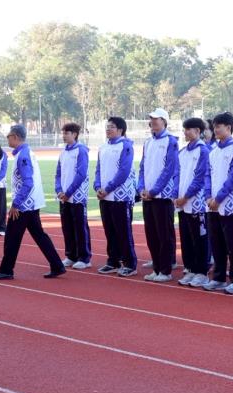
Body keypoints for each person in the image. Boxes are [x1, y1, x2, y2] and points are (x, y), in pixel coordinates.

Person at [0, 124, 65, 281]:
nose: (7, 139)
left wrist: (16, 203)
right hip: (30, 203)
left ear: (16, 137)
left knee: (12, 238)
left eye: (9, 136)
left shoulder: (23, 155)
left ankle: (6, 270)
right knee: (39, 235)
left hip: (24, 206)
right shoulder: (25, 152)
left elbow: (28, 182)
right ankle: (57, 265)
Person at [205, 112, 233, 294]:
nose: (215, 130)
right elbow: (208, 175)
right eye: (214, 126)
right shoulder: (213, 151)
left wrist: (219, 198)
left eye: (218, 126)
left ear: (229, 128)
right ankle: (219, 277)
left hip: (230, 204)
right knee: (217, 243)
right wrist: (208, 196)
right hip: (212, 205)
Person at [139, 108, 180, 282]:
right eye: (151, 119)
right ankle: (156, 268)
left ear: (164, 121)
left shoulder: (171, 141)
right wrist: (141, 187)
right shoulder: (148, 142)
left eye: (156, 119)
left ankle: (165, 270)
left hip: (162, 196)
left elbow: (169, 169)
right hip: (148, 196)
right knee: (151, 234)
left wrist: (154, 190)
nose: (153, 121)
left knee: (164, 234)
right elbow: (142, 166)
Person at [95, 116, 138, 276]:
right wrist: (97, 187)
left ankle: (130, 263)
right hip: (105, 196)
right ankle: (113, 261)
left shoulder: (126, 146)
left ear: (120, 129)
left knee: (123, 231)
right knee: (109, 230)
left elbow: (123, 171)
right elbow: (98, 169)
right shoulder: (103, 147)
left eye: (111, 126)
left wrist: (108, 188)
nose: (108, 129)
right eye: (107, 126)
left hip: (121, 196)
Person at [175, 117, 210, 287]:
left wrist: (186, 196)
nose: (185, 132)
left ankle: (201, 272)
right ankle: (190, 268)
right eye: (184, 129)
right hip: (182, 203)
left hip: (196, 203)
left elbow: (200, 177)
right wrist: (176, 195)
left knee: (199, 238)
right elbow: (177, 175)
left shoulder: (203, 151)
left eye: (189, 129)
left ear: (198, 131)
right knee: (186, 238)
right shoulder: (182, 152)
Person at [55, 123, 92, 268]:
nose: (63, 136)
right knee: (67, 226)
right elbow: (58, 173)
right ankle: (71, 255)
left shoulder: (81, 150)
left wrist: (69, 192)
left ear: (75, 134)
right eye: (63, 133)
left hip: (77, 196)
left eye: (67, 133)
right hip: (64, 196)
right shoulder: (63, 151)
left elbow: (81, 174)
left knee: (80, 227)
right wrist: (59, 190)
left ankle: (84, 258)